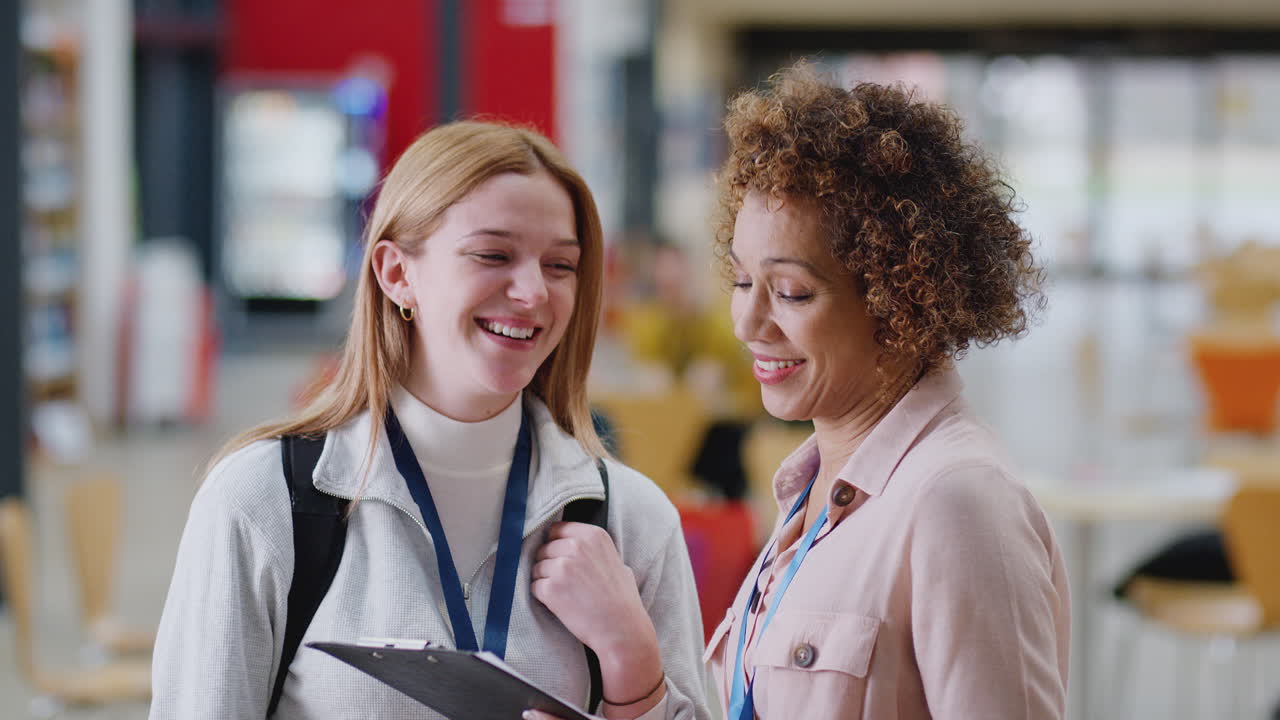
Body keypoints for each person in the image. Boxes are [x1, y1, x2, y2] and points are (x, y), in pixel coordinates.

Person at [150, 121, 709, 720]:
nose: (532, 292)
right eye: (493, 254)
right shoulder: (263, 502)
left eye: (560, 266)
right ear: (396, 274)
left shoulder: (632, 523)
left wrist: (631, 663)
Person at [701, 64, 1071, 719]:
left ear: (900, 299)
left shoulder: (956, 505)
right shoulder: (807, 489)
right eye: (740, 282)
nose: (748, 323)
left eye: (789, 292)